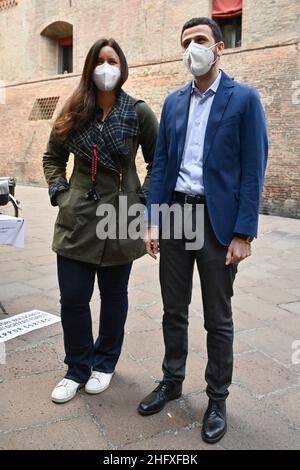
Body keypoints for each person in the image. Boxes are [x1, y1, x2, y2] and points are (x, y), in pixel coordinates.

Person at [138, 17, 268, 444]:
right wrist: (152, 219)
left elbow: (253, 168)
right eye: (185, 42)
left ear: (219, 48)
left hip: (217, 221)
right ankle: (172, 379)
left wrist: (243, 234)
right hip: (176, 213)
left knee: (218, 317)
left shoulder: (244, 99)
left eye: (199, 40)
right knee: (173, 309)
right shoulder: (173, 102)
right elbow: (161, 166)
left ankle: (217, 397)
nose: (191, 47)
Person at [43, 38, 158, 404]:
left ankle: (104, 363)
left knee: (113, 296)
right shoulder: (74, 109)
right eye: (100, 61)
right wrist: (62, 194)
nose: (106, 67)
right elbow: (52, 157)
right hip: (77, 216)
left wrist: (140, 203)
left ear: (122, 66)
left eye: (113, 60)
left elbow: (159, 164)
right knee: (73, 299)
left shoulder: (138, 112)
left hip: (121, 217)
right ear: (89, 66)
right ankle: (76, 368)